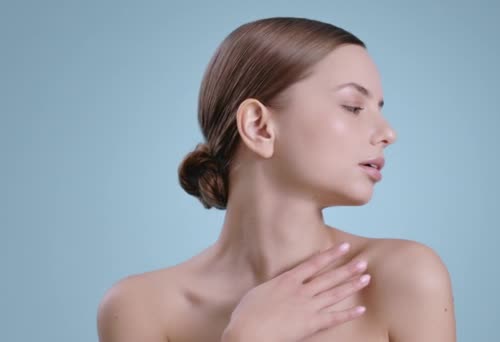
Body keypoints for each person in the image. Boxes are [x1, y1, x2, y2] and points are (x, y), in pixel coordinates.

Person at [97, 17, 456, 342]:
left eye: (380, 108)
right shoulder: (139, 308)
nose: (387, 133)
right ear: (259, 127)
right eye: (352, 106)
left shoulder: (403, 277)